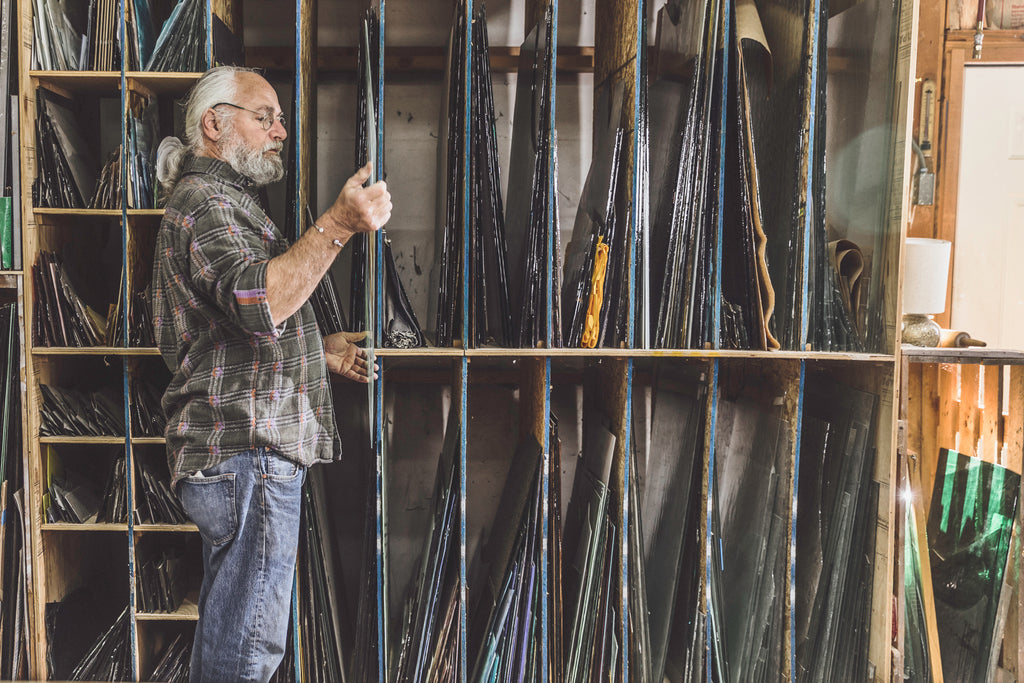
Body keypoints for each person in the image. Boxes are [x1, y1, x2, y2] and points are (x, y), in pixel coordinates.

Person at [151, 65, 391, 683]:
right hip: (247, 453)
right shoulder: (207, 203)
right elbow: (260, 301)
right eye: (266, 117)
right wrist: (338, 224)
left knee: (229, 641)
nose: (280, 131)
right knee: (247, 653)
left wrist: (318, 344)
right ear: (215, 123)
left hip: (237, 454)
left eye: (279, 119)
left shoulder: (222, 203)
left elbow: (229, 326)